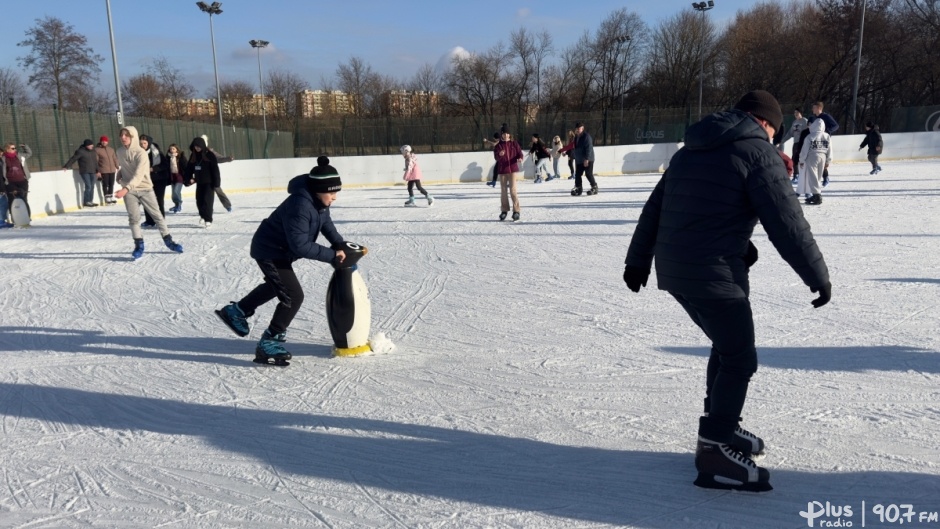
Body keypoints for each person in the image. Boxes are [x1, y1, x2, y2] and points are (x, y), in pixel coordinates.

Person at [623, 90, 831, 492]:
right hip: (713, 273)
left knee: (725, 346)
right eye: (776, 133)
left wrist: (637, 261)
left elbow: (657, 207)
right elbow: (787, 223)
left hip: (678, 269)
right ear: (766, 123)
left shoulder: (691, 150)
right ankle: (715, 448)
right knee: (739, 358)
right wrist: (816, 275)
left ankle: (721, 426)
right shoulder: (758, 152)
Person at [215, 156, 347, 366]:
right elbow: (301, 245)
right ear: (319, 190)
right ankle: (269, 340)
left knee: (278, 286)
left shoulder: (317, 200)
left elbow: (325, 222)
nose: (335, 197)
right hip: (270, 250)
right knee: (293, 295)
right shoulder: (300, 206)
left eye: (336, 192)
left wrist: (339, 244)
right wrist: (332, 256)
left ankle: (236, 311)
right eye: (332, 192)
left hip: (280, 251)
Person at [113, 126, 183, 260]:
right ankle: (139, 245)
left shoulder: (141, 153)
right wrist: (120, 173)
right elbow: (126, 165)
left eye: (126, 135)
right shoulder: (120, 151)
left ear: (133, 137)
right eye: (121, 135)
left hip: (145, 188)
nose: (123, 137)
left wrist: (125, 189)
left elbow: (139, 174)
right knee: (133, 218)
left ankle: (169, 241)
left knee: (157, 215)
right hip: (129, 189)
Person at [185, 136, 221, 228]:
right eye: (195, 146)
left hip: (209, 183)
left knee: (207, 201)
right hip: (199, 182)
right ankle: (203, 215)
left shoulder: (210, 155)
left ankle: (208, 219)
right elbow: (189, 169)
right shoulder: (193, 156)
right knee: (199, 201)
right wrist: (188, 179)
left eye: (198, 146)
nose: (197, 148)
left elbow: (215, 169)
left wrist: (217, 182)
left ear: (202, 145)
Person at [798, 117, 831, 205]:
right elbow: (830, 149)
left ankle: (817, 195)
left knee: (812, 176)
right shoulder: (827, 136)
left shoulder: (810, 136)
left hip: (812, 156)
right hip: (823, 156)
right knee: (818, 177)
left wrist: (801, 160)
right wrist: (828, 161)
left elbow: (804, 150)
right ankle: (817, 193)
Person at [493, 125, 523, 221]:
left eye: (507, 133)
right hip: (502, 171)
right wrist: (499, 155)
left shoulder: (514, 144)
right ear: (501, 134)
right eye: (504, 133)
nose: (506, 135)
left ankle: (516, 211)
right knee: (503, 191)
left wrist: (520, 158)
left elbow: (520, 153)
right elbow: (496, 157)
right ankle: (504, 210)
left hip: (513, 170)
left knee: (513, 190)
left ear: (510, 134)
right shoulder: (498, 146)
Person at [139, 135, 170, 227]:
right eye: (141, 143)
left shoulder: (156, 152)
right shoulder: (138, 153)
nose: (142, 145)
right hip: (145, 180)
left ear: (149, 143)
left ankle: (160, 220)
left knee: (158, 200)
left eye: (144, 143)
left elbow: (165, 165)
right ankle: (150, 221)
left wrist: (153, 169)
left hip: (159, 179)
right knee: (146, 200)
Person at [200, 135, 234, 212]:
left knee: (218, 191)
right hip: (202, 177)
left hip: (212, 176)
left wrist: (228, 158)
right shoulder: (196, 153)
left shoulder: (211, 152)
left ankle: (227, 205)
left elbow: (219, 158)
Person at [64, 139, 100, 208]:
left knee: (92, 186)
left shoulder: (93, 151)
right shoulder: (80, 151)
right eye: (90, 145)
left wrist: (97, 170)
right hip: (85, 171)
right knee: (88, 186)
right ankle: (86, 202)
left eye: (92, 144)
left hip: (93, 171)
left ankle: (90, 201)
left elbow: (95, 162)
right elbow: (73, 159)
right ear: (86, 145)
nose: (92, 146)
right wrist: (66, 166)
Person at [776, 109, 807, 184]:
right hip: (796, 143)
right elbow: (790, 133)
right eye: (794, 113)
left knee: (804, 159)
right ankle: (796, 175)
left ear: (801, 113)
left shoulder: (805, 121)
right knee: (794, 159)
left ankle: (805, 175)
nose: (795, 114)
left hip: (804, 143)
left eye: (797, 112)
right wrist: (782, 141)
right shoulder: (794, 122)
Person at [2, 143, 32, 219]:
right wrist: (5, 181)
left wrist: (25, 147)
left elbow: (29, 153)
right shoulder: (3, 158)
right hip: (10, 182)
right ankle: (14, 218)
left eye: (15, 148)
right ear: (7, 149)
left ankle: (26, 217)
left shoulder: (19, 155)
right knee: (12, 200)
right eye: (12, 148)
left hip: (22, 181)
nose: (14, 149)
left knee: (23, 198)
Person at [811, 101, 838, 186]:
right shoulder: (814, 117)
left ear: (819, 108)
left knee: (822, 160)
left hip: (824, 142)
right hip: (815, 141)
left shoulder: (826, 116)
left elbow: (836, 126)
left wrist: (827, 131)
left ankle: (826, 177)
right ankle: (819, 178)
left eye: (814, 107)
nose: (813, 109)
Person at [571, 122, 599, 196]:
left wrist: (587, 159)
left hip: (588, 159)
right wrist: (573, 156)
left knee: (588, 173)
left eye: (579, 128)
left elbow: (589, 148)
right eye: (576, 129)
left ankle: (594, 187)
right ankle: (578, 187)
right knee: (577, 174)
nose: (577, 130)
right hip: (579, 159)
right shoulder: (576, 137)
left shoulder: (586, 136)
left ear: (582, 128)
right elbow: (575, 148)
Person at [95, 136, 120, 205]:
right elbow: (96, 161)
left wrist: (117, 166)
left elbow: (115, 158)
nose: (104, 142)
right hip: (103, 170)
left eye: (105, 141)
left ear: (107, 142)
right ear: (100, 142)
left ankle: (111, 197)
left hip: (112, 169)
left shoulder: (111, 149)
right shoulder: (97, 150)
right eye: (102, 141)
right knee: (105, 184)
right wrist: (97, 170)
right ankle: (107, 198)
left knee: (111, 184)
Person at [166, 144, 187, 213]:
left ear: (177, 150)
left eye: (173, 149)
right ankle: (176, 204)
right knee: (173, 193)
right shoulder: (168, 158)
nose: (172, 150)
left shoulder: (181, 157)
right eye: (171, 149)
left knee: (176, 191)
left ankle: (179, 204)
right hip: (172, 177)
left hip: (179, 177)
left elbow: (185, 166)